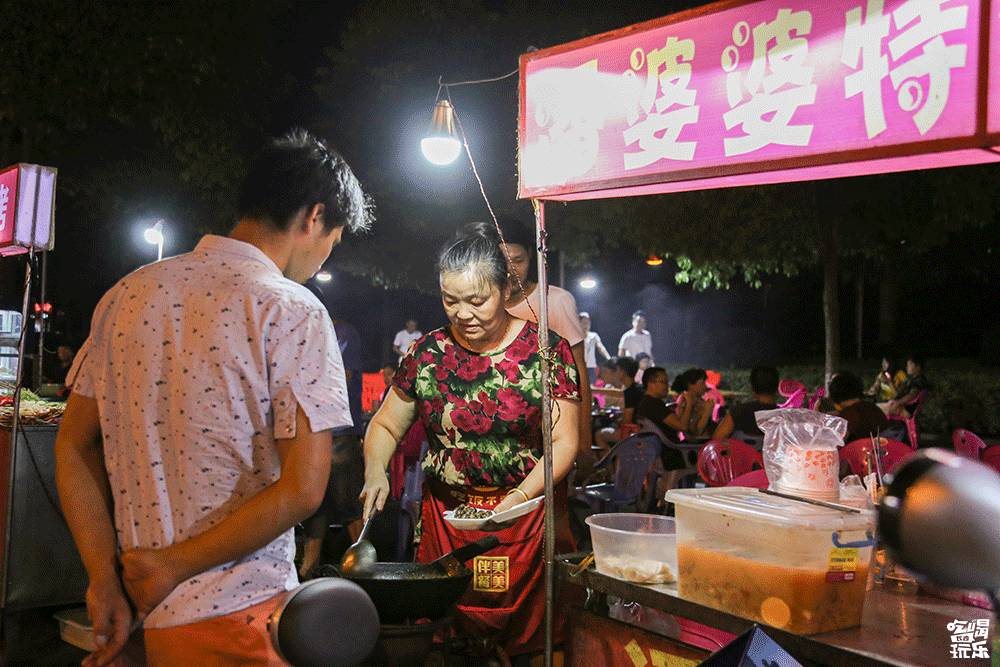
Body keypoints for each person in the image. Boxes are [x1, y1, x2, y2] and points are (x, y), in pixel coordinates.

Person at [54, 129, 370, 665]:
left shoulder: (126, 295)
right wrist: (173, 565)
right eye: (331, 242)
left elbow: (72, 448)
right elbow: (303, 489)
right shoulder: (291, 309)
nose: (320, 260)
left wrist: (103, 578)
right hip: (243, 614)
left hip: (141, 615)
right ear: (315, 217)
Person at [360, 223, 580, 659]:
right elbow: (385, 425)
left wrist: (517, 496)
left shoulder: (546, 352)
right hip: (446, 521)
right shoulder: (427, 353)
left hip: (523, 518)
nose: (463, 313)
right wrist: (374, 469)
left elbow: (564, 441)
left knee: (530, 643)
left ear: (505, 289)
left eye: (477, 300)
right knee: (445, 641)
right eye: (450, 300)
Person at [496, 217, 593, 467]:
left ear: (532, 257)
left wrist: (583, 441)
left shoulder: (555, 301)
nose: (510, 270)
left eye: (518, 261)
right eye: (502, 262)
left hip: (550, 437)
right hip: (497, 439)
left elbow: (579, 372)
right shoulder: (485, 308)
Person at [299, 317, 366, 578]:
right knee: (316, 508)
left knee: (349, 505)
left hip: (340, 433)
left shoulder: (343, 332)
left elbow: (344, 377)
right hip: (315, 433)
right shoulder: (307, 335)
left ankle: (364, 573)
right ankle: (307, 571)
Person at [712, 366, 780, 441]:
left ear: (752, 387)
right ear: (777, 387)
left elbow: (716, 440)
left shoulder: (738, 412)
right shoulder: (785, 417)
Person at [594, 356, 642, 451]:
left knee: (599, 434)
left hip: (635, 432)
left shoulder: (630, 392)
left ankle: (610, 463)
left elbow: (626, 421)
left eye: (617, 370)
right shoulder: (637, 388)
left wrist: (619, 421)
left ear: (622, 372)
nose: (614, 373)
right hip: (642, 429)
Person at [829, 371, 889, 443]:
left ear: (836, 396)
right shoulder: (872, 407)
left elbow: (836, 444)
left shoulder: (849, 415)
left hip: (860, 452)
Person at [667, 368, 714, 439]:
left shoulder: (698, 400)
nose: (706, 387)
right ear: (690, 385)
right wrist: (707, 412)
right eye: (702, 383)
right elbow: (695, 433)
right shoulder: (686, 401)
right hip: (699, 445)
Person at [579, 312, 610, 385]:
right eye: (584, 322)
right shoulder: (576, 336)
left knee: (591, 389)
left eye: (587, 322)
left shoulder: (593, 336)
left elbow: (600, 347)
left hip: (591, 367)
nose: (586, 325)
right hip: (579, 367)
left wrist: (608, 357)